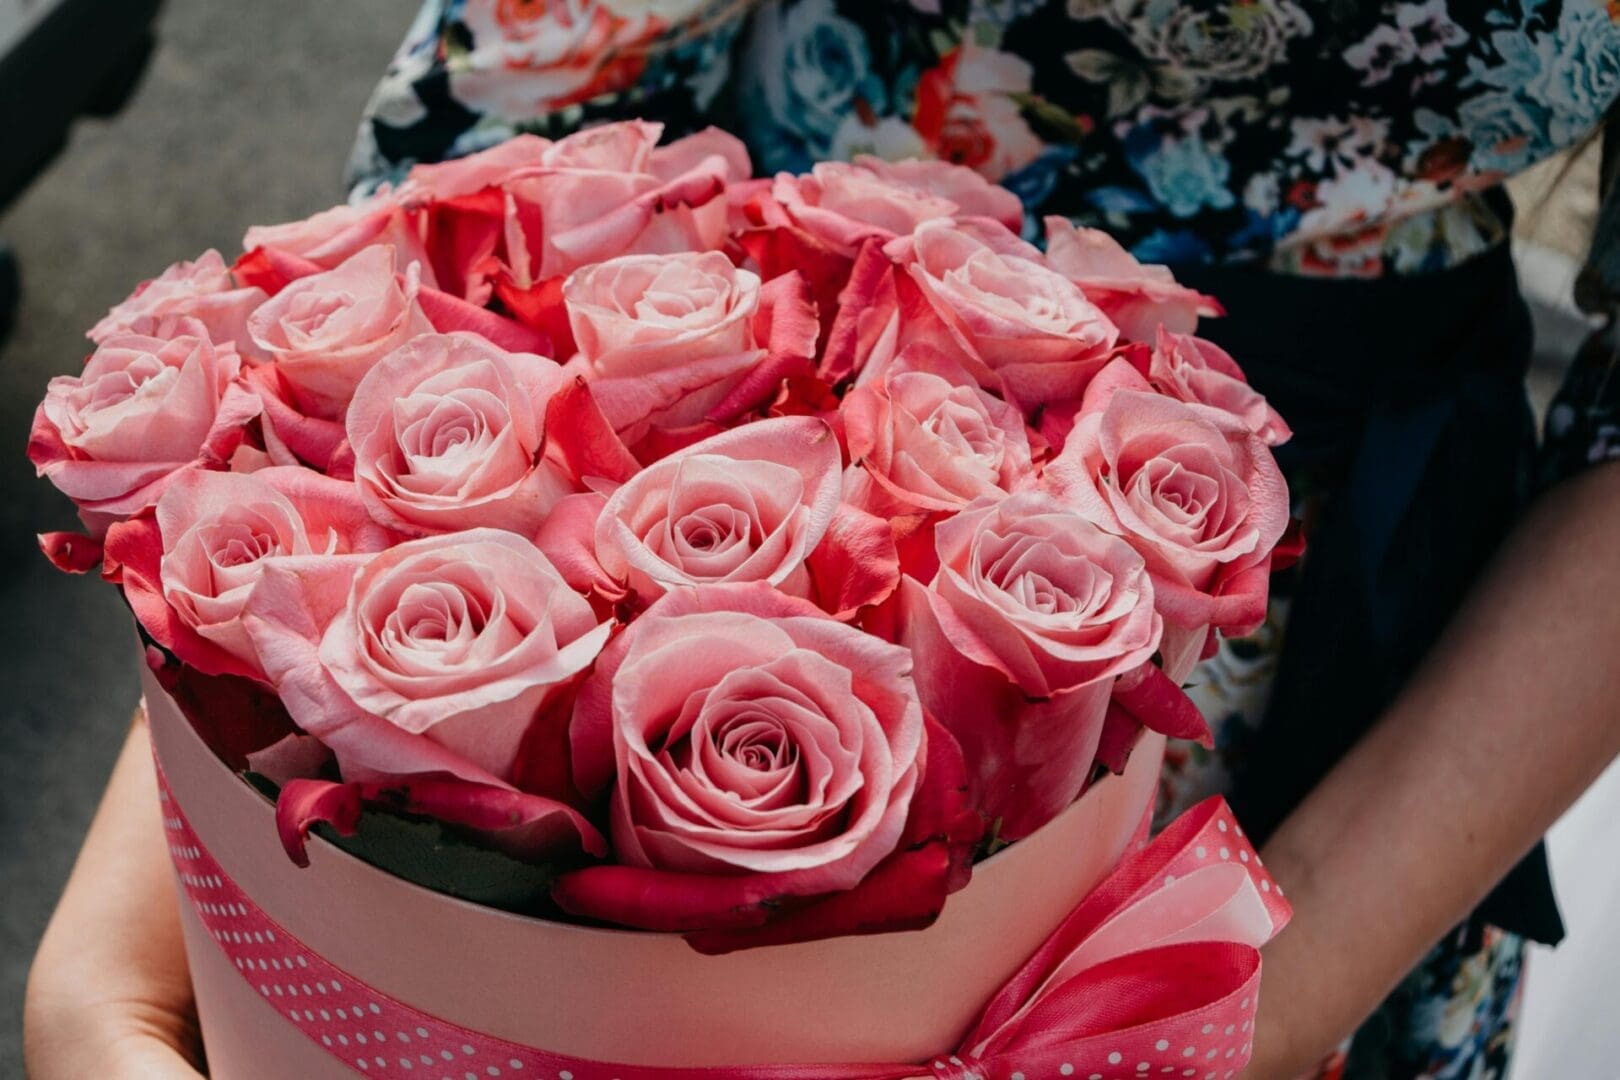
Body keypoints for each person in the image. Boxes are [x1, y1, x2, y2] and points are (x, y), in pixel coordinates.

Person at [25, 2, 1620, 1076]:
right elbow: (502, 129)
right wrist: (143, 930)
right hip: (724, 409)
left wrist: (1206, 1018)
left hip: (1368, 712)